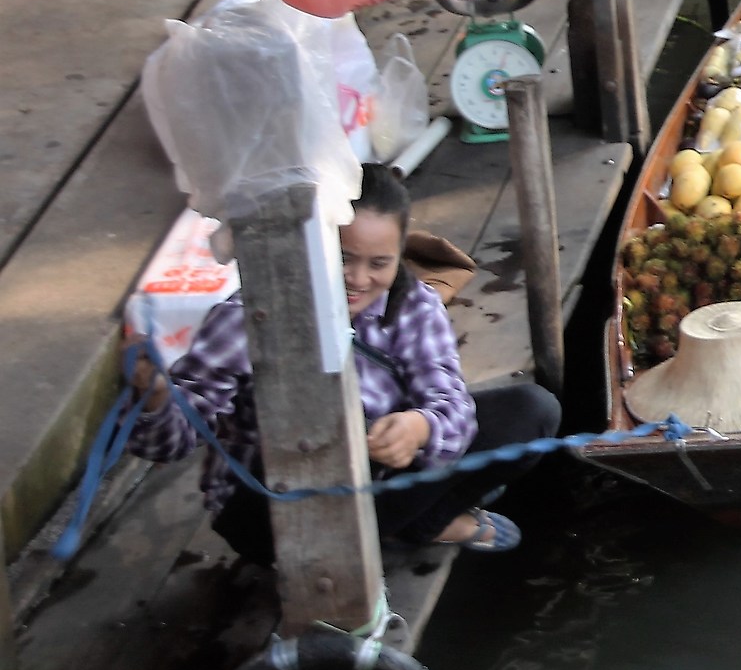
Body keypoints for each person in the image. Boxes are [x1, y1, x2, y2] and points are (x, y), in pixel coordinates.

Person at [128, 163, 558, 559]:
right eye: (343, 257)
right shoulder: (246, 320)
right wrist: (155, 400)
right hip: (272, 513)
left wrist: (420, 426)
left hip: (378, 481)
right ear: (311, 246)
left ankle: (422, 523)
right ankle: (416, 525)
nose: (358, 278)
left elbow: (454, 408)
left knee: (533, 412)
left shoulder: (414, 306)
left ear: (400, 255)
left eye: (379, 263)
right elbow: (169, 443)